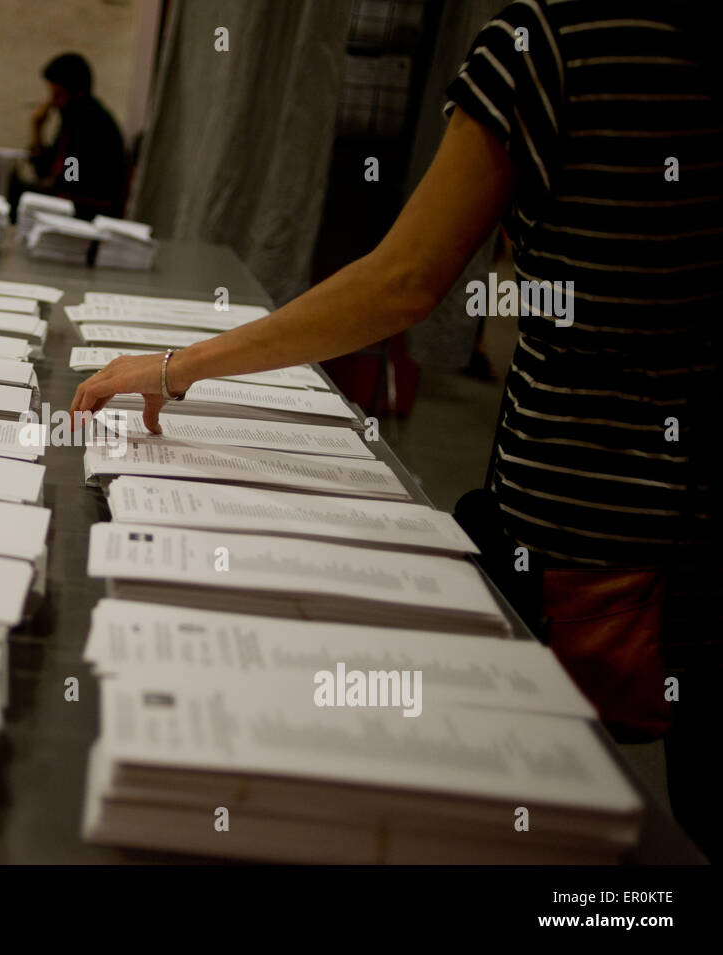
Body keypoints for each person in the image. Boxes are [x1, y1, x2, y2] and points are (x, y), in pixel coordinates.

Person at [71, 1, 720, 859]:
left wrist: (175, 366)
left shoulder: (550, 45)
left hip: (597, 535)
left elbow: (405, 281)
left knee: (529, 809)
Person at [26, 52, 126, 218]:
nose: (52, 103)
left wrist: (49, 184)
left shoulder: (92, 122)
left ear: (78, 93)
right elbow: (44, 170)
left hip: (84, 206)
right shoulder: (72, 120)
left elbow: (72, 175)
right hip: (68, 198)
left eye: (57, 95)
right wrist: (37, 129)